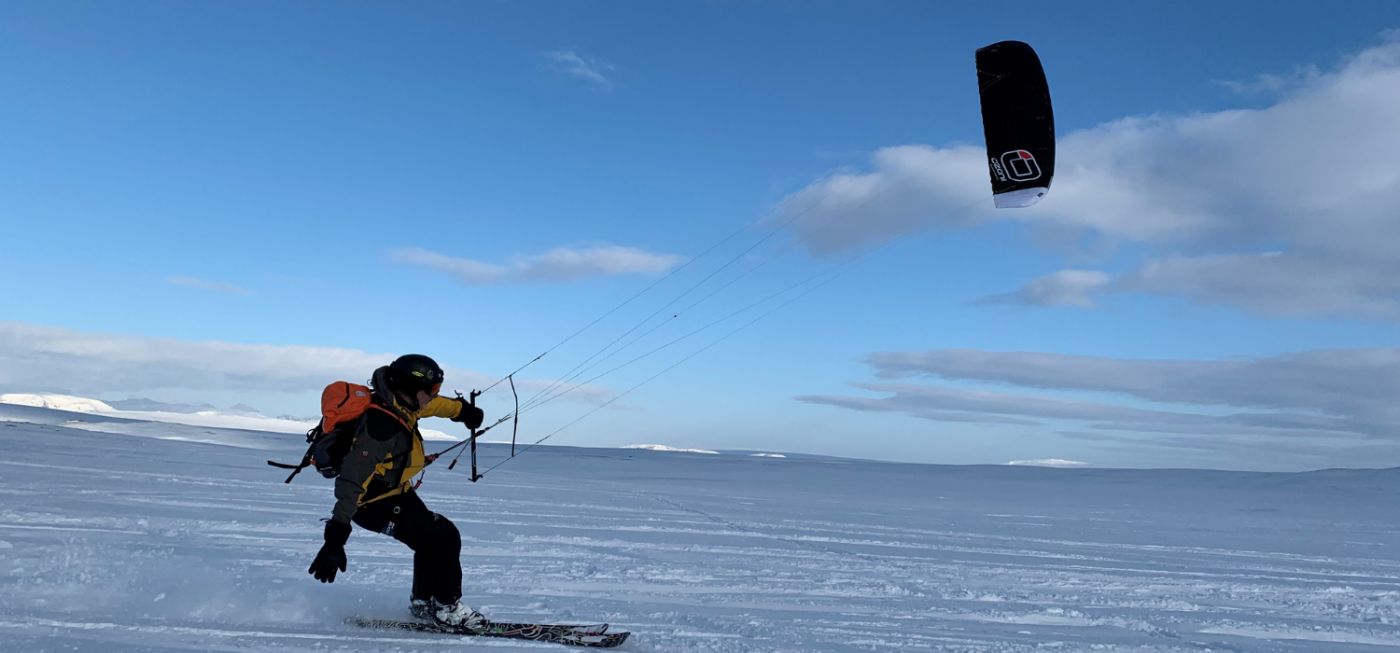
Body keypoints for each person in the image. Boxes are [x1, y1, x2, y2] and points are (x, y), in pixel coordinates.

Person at [305, 354, 487, 629]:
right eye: (431, 389)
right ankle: (448, 609)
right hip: (371, 503)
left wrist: (463, 412)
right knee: (444, 537)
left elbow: (436, 406)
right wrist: (334, 540)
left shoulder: (403, 403)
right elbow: (352, 482)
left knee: (431, 538)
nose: (433, 395)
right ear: (412, 389)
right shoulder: (381, 426)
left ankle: (423, 604)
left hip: (396, 493)